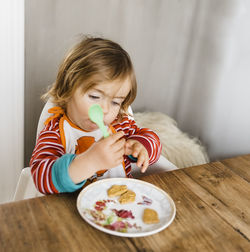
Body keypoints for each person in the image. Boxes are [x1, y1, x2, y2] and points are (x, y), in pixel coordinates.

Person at [30, 36, 162, 194]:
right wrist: (89, 162)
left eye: (115, 102)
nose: (105, 109)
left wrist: (140, 146)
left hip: (119, 206)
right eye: (94, 97)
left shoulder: (120, 125)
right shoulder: (55, 132)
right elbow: (40, 177)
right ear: (68, 90)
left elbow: (153, 140)